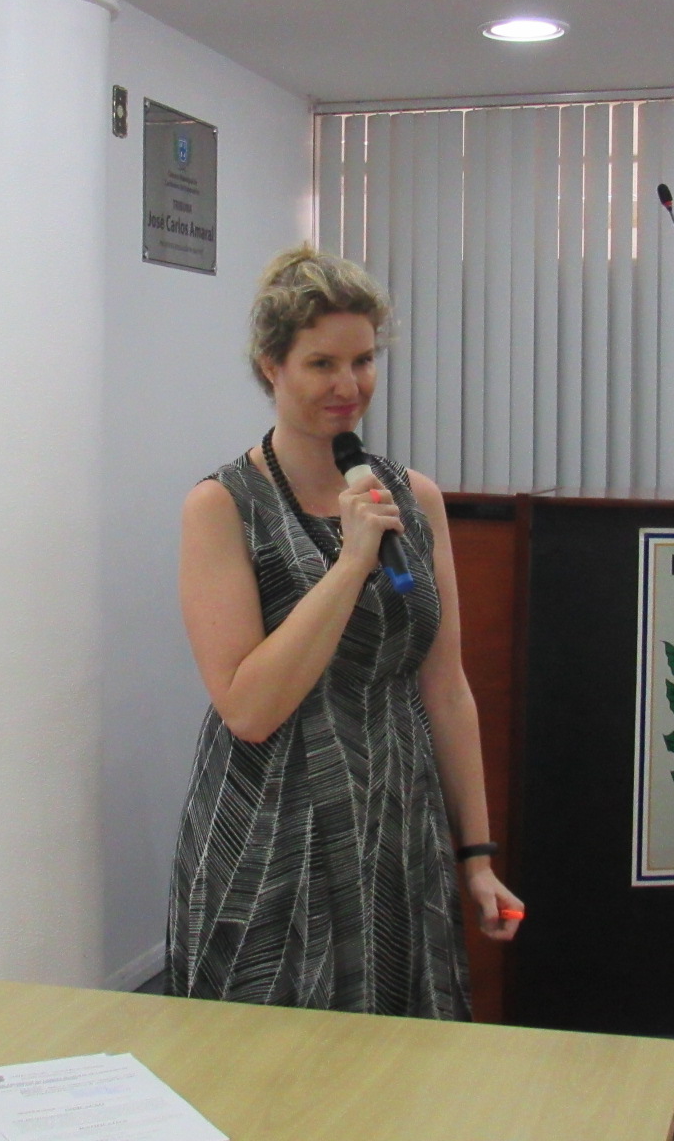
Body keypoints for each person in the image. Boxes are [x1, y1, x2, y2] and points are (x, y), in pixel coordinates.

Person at [167, 246, 520, 1019]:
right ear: (272, 367)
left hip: (396, 820)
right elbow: (248, 707)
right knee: (269, 1066)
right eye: (321, 364)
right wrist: (351, 562)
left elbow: (446, 688)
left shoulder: (413, 497)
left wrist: (477, 856)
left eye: (363, 361)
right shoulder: (222, 507)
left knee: (400, 1059)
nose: (349, 385)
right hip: (276, 827)